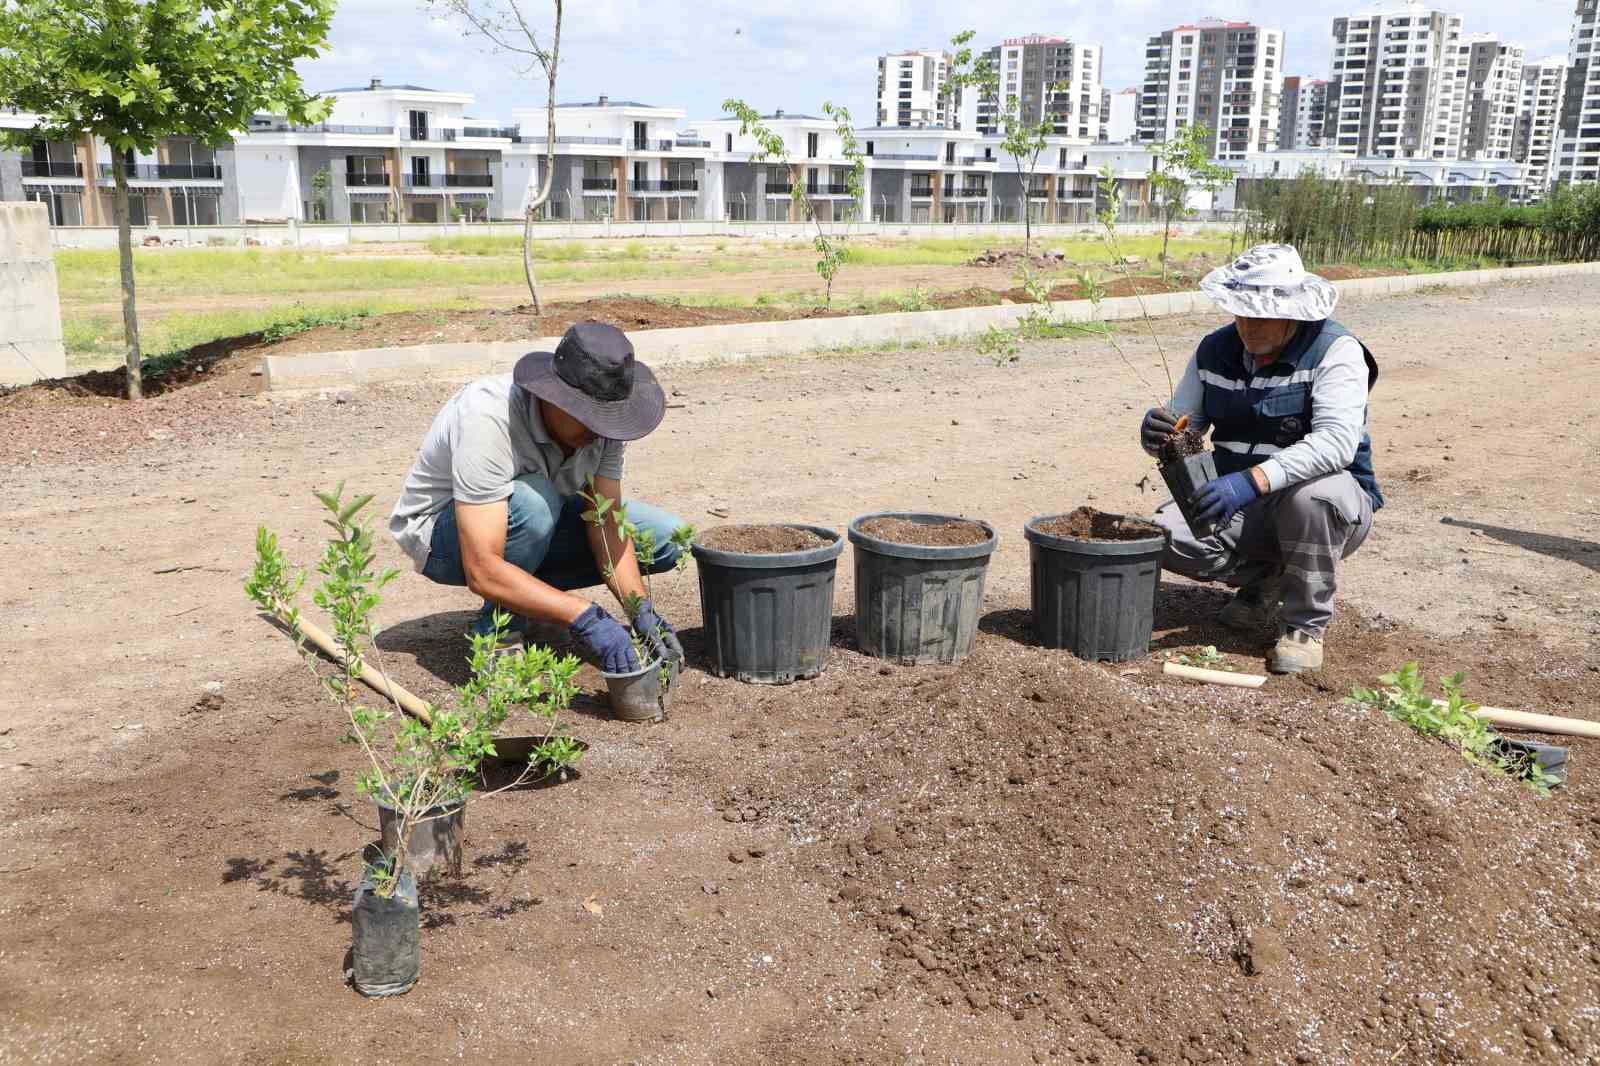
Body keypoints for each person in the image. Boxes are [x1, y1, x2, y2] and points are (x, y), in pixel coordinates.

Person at [1140, 244, 1383, 674]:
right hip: (1242, 505)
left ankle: (1304, 627)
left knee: (1313, 499)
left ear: (1294, 310)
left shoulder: (1336, 351)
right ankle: (1265, 581)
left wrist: (1250, 481)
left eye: (1262, 313)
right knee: (1162, 534)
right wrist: (1160, 433)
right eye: (1241, 312)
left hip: (1326, 507)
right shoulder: (1215, 350)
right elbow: (1186, 423)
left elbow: (1336, 444)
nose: (1249, 326)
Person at [389, 321, 686, 674]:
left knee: (665, 537)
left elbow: (605, 522)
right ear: (553, 396)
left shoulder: (602, 430)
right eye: (589, 417)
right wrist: (583, 616)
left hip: (533, 524)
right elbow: (481, 568)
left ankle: (533, 601)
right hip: (443, 539)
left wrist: (640, 611)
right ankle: (498, 632)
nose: (600, 431)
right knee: (534, 504)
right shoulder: (489, 415)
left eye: (608, 420)